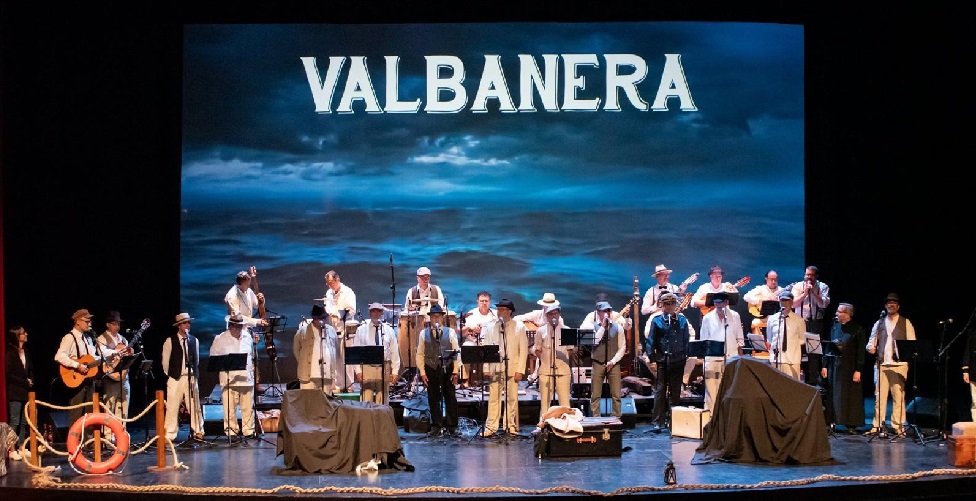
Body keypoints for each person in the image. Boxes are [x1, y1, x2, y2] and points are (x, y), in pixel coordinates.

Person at [55, 309, 122, 427]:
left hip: (89, 380)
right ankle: (75, 443)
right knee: (76, 415)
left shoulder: (88, 338)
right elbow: (59, 356)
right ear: (78, 322)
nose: (90, 324)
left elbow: (93, 357)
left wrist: (111, 356)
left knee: (89, 414)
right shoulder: (69, 338)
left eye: (90, 321)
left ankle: (89, 444)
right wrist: (77, 365)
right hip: (75, 380)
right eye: (87, 321)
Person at [866, 292, 916, 436]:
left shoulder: (906, 323)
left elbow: (912, 344)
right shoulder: (879, 322)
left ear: (898, 306)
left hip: (898, 365)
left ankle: (898, 426)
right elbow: (870, 343)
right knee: (879, 397)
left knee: (898, 397)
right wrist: (871, 347)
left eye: (894, 303)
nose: (891, 305)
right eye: (889, 303)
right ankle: (877, 425)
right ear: (885, 305)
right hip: (882, 364)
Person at [480, 298, 527, 436]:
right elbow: (487, 348)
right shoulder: (491, 326)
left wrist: (520, 370)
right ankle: (491, 427)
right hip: (496, 368)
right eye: (499, 309)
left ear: (509, 312)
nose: (499, 312)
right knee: (494, 398)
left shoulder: (519, 327)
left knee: (511, 398)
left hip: (512, 368)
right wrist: (486, 368)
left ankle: (509, 426)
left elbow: (523, 350)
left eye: (502, 309)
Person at [646, 293, 692, 433]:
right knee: (660, 390)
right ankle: (657, 421)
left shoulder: (682, 320)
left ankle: (674, 420)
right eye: (667, 304)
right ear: (662, 305)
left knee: (675, 391)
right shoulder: (657, 320)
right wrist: (652, 358)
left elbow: (686, 340)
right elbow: (651, 340)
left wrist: (685, 355)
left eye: (672, 304)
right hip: (662, 359)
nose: (670, 307)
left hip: (677, 359)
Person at [210, 312, 259, 441]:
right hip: (229, 379)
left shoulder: (248, 337)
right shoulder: (220, 339)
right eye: (235, 326)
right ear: (230, 326)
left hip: (245, 378)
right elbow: (214, 357)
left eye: (240, 326)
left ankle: (249, 430)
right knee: (230, 408)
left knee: (247, 406)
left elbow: (251, 356)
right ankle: (231, 431)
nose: (238, 329)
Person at [416, 304, 461, 436]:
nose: (436, 319)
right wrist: (423, 373)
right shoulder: (423, 334)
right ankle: (436, 425)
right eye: (433, 316)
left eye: (438, 316)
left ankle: (452, 426)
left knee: (450, 396)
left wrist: (456, 371)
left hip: (447, 367)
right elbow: (420, 354)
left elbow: (456, 352)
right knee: (433, 397)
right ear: (430, 318)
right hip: (431, 367)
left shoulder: (450, 332)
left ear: (442, 318)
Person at [821, 302, 866, 433]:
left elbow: (860, 351)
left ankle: (851, 424)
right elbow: (828, 346)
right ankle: (832, 421)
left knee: (850, 395)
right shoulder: (834, 327)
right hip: (835, 366)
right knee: (833, 394)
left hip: (850, 367)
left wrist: (858, 369)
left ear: (848, 314)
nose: (836, 314)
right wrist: (824, 365)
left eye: (839, 312)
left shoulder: (857, 329)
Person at [697, 291, 745, 413]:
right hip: (712, 359)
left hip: (731, 357)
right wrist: (703, 359)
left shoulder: (735, 316)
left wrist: (740, 356)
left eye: (721, 303)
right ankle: (711, 418)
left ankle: (727, 417)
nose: (718, 305)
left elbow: (740, 338)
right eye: (716, 303)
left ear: (726, 303)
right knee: (712, 390)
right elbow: (703, 340)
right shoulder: (707, 318)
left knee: (730, 389)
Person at [531, 301, 574, 433]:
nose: (554, 316)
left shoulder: (567, 330)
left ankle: (568, 426)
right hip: (546, 371)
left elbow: (571, 350)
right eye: (551, 314)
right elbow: (535, 349)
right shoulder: (541, 331)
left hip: (563, 370)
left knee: (564, 401)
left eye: (556, 313)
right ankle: (542, 425)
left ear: (559, 315)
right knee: (545, 401)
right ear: (547, 316)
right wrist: (544, 358)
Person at [161, 313, 205, 442]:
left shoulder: (194, 340)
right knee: (173, 406)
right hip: (176, 378)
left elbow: (196, 360)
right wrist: (172, 376)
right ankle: (169, 433)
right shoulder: (170, 341)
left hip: (190, 376)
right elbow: (165, 362)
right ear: (179, 325)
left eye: (188, 323)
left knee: (194, 405)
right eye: (185, 323)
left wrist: (193, 375)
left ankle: (198, 430)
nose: (187, 325)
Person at [401, 266, 444, 379]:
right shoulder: (412, 291)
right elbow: (407, 309)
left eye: (428, 277)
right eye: (423, 277)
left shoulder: (436, 289)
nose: (426, 279)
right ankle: (417, 371)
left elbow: (441, 307)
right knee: (418, 348)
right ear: (418, 278)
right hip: (417, 325)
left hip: (433, 323)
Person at [353, 303, 400, 405]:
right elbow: (356, 350)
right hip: (367, 367)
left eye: (378, 311)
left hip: (384, 366)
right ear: (370, 313)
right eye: (373, 311)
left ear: (382, 313)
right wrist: (358, 370)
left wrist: (395, 370)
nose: (375, 313)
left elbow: (394, 351)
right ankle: (366, 420)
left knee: (382, 398)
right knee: (366, 398)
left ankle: (382, 419)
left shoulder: (388, 330)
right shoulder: (361, 330)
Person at [791, 265, 831, 386]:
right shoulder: (798, 286)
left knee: (813, 353)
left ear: (816, 276)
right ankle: (797, 379)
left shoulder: (823, 287)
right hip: (800, 322)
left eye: (811, 275)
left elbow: (824, 304)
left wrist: (814, 293)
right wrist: (804, 294)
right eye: (807, 274)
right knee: (798, 350)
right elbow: (793, 304)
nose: (808, 277)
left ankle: (812, 382)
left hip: (816, 323)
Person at [587, 301, 627, 417]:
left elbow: (622, 347)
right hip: (598, 363)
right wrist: (603, 327)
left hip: (613, 364)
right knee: (595, 394)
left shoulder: (618, 327)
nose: (607, 313)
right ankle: (596, 419)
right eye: (604, 311)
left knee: (616, 394)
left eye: (608, 311)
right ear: (598, 312)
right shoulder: (593, 326)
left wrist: (613, 361)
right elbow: (594, 341)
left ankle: (616, 418)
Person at [98, 311, 131, 438]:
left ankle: (120, 434)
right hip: (111, 376)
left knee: (123, 406)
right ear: (108, 324)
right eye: (114, 323)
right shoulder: (101, 339)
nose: (117, 326)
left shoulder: (123, 339)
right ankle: (108, 436)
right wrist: (116, 352)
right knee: (109, 407)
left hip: (124, 377)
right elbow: (102, 354)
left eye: (119, 324)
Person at [323, 269, 357, 391]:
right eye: (327, 283)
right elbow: (327, 306)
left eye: (331, 283)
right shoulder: (329, 293)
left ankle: (349, 385)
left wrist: (337, 313)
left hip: (345, 329)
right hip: (332, 329)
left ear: (338, 280)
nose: (329, 286)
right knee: (335, 358)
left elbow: (352, 310)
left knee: (346, 357)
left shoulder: (348, 292)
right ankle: (339, 384)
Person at [294, 304, 339, 395]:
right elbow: (296, 350)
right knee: (309, 401)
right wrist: (304, 362)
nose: (322, 321)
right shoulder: (303, 331)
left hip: (327, 374)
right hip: (309, 375)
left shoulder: (331, 330)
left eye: (323, 318)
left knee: (326, 402)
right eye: (319, 318)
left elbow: (336, 349)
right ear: (314, 319)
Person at [5, 326, 33, 460]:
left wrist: (30, 380)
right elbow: (9, 374)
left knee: (24, 421)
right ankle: (12, 449)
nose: (26, 334)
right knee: (15, 420)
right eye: (23, 333)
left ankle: (22, 446)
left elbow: (29, 370)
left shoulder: (26, 351)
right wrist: (24, 381)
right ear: (17, 336)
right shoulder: (11, 353)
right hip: (15, 390)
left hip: (25, 391)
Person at [766, 290, 807, 380]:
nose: (784, 303)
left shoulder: (799, 320)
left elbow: (802, 339)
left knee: (791, 386)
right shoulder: (772, 319)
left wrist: (792, 346)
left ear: (791, 302)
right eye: (782, 300)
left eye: (786, 300)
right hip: (776, 359)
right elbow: (769, 338)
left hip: (792, 359)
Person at [461, 291, 496, 387]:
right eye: (482, 301)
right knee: (465, 348)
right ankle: (466, 379)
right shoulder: (471, 314)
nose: (484, 303)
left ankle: (489, 377)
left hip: (489, 341)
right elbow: (462, 333)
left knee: (494, 348)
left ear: (489, 302)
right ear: (478, 302)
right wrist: (471, 328)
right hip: (473, 341)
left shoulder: (495, 314)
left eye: (486, 301)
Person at [743, 269, 785, 336]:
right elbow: (746, 297)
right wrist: (763, 299)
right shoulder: (761, 289)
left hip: (777, 318)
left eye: (775, 279)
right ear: (766, 279)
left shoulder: (782, 291)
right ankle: (759, 345)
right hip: (763, 318)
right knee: (755, 323)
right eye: (771, 279)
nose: (774, 282)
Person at [963, 326, 976, 421]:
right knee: (975, 402)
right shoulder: (973, 331)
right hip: (974, 370)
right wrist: (965, 370)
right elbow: (967, 351)